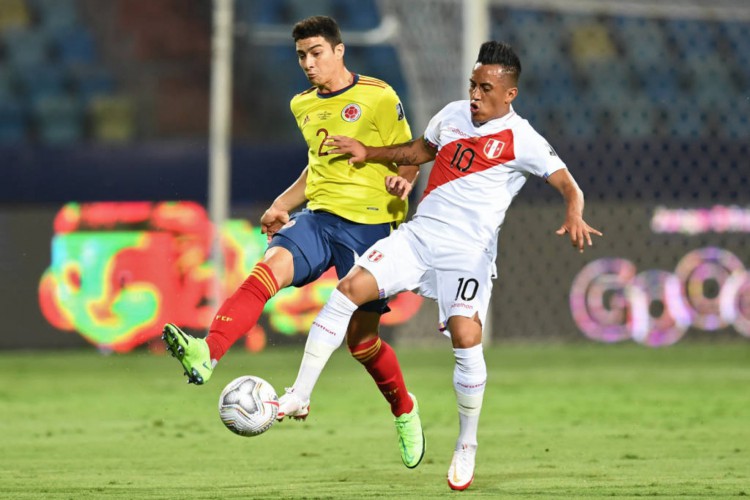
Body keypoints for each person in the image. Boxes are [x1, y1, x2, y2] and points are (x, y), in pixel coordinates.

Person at [276, 41, 602, 490]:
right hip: (420, 235)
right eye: (472, 84)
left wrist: (574, 211)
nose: (474, 94)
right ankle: (299, 394)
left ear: (509, 94)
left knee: (467, 337)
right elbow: (417, 152)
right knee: (350, 290)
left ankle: (466, 444)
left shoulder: (522, 138)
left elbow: (569, 184)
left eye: (485, 88)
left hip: (467, 252)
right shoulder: (450, 115)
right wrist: (368, 152)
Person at [161, 15, 426, 469]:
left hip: (370, 228)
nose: (308, 63)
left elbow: (410, 152)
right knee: (267, 270)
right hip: (318, 218)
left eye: (316, 53)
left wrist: (404, 181)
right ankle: (208, 351)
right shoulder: (302, 104)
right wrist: (281, 204)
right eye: (301, 55)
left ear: (339, 51)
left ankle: (404, 409)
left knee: (362, 343)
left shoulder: (379, 96)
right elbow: (315, 167)